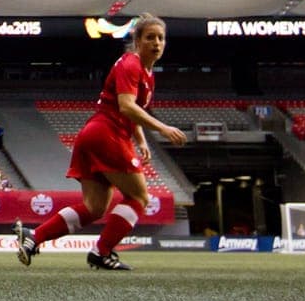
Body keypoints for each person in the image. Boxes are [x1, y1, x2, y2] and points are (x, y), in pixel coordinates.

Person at [16, 14, 187, 271]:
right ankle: (101, 252)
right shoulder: (131, 64)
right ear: (137, 41)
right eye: (150, 37)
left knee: (94, 208)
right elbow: (126, 106)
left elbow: (133, 110)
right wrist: (163, 128)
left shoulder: (147, 74)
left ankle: (34, 237)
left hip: (93, 134)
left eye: (161, 38)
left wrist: (141, 141)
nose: (157, 43)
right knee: (139, 196)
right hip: (108, 134)